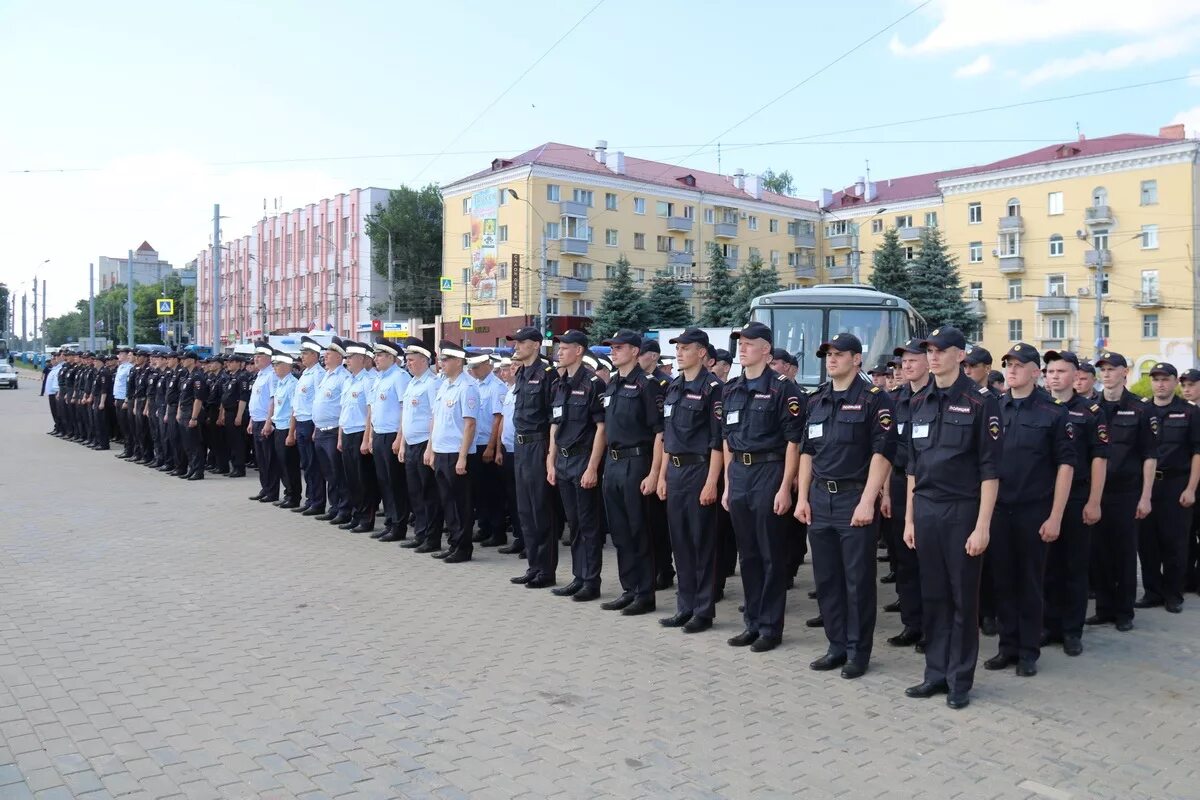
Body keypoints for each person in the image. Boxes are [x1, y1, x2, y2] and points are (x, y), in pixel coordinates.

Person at [903, 326, 1001, 710]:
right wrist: (910, 520)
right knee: (934, 596)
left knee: (962, 599)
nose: (933, 356)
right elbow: (913, 465)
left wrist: (982, 527)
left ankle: (959, 679)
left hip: (962, 511)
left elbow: (990, 470)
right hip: (926, 508)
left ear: (961, 355)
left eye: (941, 350)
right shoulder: (919, 401)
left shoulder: (981, 402)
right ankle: (935, 673)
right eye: (929, 350)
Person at [796, 333, 896, 678]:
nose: (832, 359)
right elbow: (808, 452)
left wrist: (869, 500)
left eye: (839, 354)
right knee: (827, 579)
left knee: (857, 580)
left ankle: (858, 651)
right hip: (821, 498)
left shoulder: (874, 400)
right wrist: (801, 498)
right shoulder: (817, 400)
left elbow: (881, 453)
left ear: (857, 359)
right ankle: (835, 645)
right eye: (828, 354)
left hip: (855, 497)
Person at [985, 344, 1074, 678]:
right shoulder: (994, 407)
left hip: (1033, 511)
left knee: (1030, 583)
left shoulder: (1052, 412)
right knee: (1002, 581)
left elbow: (1065, 466)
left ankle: (1027, 652)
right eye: (1008, 364)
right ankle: (1007, 647)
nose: (1011, 369)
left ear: (1036, 372)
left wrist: (1055, 516)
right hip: (999, 510)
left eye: (1019, 365)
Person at [722, 321, 805, 652]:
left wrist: (786, 486)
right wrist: (728, 485)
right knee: (749, 553)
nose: (742, 348)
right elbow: (727, 439)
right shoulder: (732, 389)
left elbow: (793, 441)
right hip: (740, 475)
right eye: (739, 343)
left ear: (766, 349)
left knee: (771, 554)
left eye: (749, 343)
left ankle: (770, 627)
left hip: (769, 471)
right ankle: (752, 622)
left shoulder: (784, 389)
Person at [655, 328, 725, 632]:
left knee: (702, 542)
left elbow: (717, 440)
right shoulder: (674, 387)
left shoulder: (713, 388)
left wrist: (712, 482)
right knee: (680, 542)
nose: (679, 353)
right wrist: (662, 475)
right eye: (678, 348)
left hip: (700, 470)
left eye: (685, 348)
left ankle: (703, 610)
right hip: (676, 471)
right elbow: (669, 437)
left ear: (702, 353)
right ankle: (685, 605)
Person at [1041, 350, 1107, 656]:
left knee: (1075, 566)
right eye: (1051, 371)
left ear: (1075, 375)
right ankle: (1048, 625)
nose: (1055, 376)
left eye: (1062, 371)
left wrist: (1094, 501)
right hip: (1042, 497)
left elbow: (1098, 458)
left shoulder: (1090, 411)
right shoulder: (1038, 406)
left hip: (1078, 496)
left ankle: (1071, 630)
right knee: (1047, 565)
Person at [598, 329, 665, 616]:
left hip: (637, 462)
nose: (613, 352)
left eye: (619, 347)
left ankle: (645, 593)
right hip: (613, 464)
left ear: (635, 351)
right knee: (620, 532)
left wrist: (654, 473)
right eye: (612, 348)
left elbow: (660, 433)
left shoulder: (647, 385)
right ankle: (629, 588)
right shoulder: (613, 383)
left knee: (640, 530)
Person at [1090, 352, 1156, 632]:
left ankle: (1124, 611)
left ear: (1124, 372)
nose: (1106, 374)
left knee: (1125, 554)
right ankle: (1104, 607)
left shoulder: (1141, 409)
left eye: (1111, 369)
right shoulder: (1091, 407)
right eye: (1102, 369)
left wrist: (1146, 496)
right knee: (1099, 552)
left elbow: (1149, 456)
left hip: (1126, 492)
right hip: (1097, 493)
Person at [547, 329, 607, 601]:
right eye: (560, 347)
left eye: (566, 347)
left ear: (579, 351)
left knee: (588, 524)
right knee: (573, 523)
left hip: (584, 459)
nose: (560, 351)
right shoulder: (560, 384)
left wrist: (593, 467)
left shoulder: (593, 383)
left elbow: (601, 428)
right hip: (564, 459)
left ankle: (591, 581)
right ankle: (578, 576)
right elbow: (556, 424)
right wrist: (551, 459)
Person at [1136, 362, 1200, 614]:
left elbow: (1197, 452)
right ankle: (1152, 592)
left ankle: (1174, 594)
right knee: (1147, 542)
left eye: (1165, 379)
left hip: (1176, 484)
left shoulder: (1190, 413)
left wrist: (1191, 488)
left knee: (1175, 543)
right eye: (1156, 379)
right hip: (1146, 486)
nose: (1160, 384)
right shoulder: (1141, 410)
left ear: (1175, 382)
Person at [507, 327, 561, 588]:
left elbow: (553, 418)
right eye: (515, 342)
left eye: (521, 342)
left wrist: (550, 454)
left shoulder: (548, 375)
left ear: (536, 345)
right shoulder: (521, 373)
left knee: (541, 510)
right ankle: (533, 565)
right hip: (521, 446)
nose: (516, 346)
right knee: (525, 510)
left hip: (538, 446)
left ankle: (546, 571)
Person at [883, 339, 928, 651]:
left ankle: (933, 629)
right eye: (902, 363)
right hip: (899, 485)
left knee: (929, 563)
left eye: (913, 360)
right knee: (903, 560)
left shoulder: (938, 398)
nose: (906, 367)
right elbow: (884, 450)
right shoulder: (894, 400)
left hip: (932, 489)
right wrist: (885, 492)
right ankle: (912, 624)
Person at [425, 340, 479, 563]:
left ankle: (464, 548)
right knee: (447, 502)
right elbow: (436, 420)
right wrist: (430, 448)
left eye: (445, 360)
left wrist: (463, 456)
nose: (441, 363)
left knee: (461, 503)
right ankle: (454, 544)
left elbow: (469, 424)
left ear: (458, 361)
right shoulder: (444, 385)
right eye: (440, 360)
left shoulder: (467, 387)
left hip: (457, 454)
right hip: (441, 451)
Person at [363, 338, 411, 541]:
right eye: (376, 355)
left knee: (395, 482)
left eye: (380, 355)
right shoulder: (379, 378)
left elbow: (404, 409)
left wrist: (400, 437)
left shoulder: (399, 377)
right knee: (384, 482)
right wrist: (372, 436)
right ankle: (390, 522)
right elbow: (374, 411)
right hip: (380, 434)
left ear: (391, 357)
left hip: (392, 435)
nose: (376, 358)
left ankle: (399, 526)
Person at [398, 337, 443, 553]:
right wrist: (403, 444)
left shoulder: (432, 383)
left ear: (425, 360)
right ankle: (420, 533)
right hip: (412, 444)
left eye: (412, 359)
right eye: (407, 360)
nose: (408, 363)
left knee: (429, 493)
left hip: (426, 443)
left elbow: (436, 416)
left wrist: (430, 448)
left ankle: (432, 538)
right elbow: (406, 417)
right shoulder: (412, 383)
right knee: (415, 492)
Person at [338, 341, 379, 533]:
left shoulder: (368, 381)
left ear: (362, 360)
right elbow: (344, 411)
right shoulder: (348, 381)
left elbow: (370, 413)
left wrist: (366, 438)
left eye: (351, 358)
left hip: (359, 434)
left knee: (364, 480)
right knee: (351, 478)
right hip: (347, 432)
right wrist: (340, 437)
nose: (347, 361)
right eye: (346, 358)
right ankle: (356, 514)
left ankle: (366, 518)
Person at [467, 351, 506, 547]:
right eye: (471, 368)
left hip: (486, 444)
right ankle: (484, 527)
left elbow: (498, 419)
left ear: (487, 365)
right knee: (479, 490)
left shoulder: (496, 387)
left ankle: (497, 531)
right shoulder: (474, 385)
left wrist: (491, 447)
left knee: (493, 490)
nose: (473, 371)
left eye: (476, 367)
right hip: (475, 444)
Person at [312, 338, 351, 525]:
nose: (325, 357)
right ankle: (334, 506)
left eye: (328, 354)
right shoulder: (326, 375)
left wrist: (340, 435)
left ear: (338, 356)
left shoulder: (343, 377)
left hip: (334, 431)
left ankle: (344, 509)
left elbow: (344, 408)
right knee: (328, 473)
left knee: (338, 473)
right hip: (320, 430)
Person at [291, 336, 326, 515]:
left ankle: (318, 502)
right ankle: (310, 498)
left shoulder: (318, 374)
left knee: (314, 465)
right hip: (301, 422)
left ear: (314, 355)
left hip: (311, 423)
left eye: (305, 354)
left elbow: (318, 403)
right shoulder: (305, 373)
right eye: (302, 354)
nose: (302, 357)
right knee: (306, 464)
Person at [496, 356, 525, 558]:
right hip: (507, 449)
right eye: (510, 365)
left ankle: (527, 540)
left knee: (524, 499)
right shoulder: (509, 390)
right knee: (512, 497)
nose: (511, 369)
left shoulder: (525, 389)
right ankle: (518, 537)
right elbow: (503, 422)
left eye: (515, 365)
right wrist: (498, 449)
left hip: (523, 450)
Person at [265, 350, 301, 507]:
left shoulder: (293, 384)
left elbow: (295, 410)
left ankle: (294, 497)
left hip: (287, 428)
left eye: (277, 365)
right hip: (278, 427)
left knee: (290, 464)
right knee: (282, 464)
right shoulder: (280, 383)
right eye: (274, 365)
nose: (274, 368)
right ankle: (288, 493)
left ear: (287, 366)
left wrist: (291, 433)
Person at [247, 343, 280, 503]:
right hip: (257, 421)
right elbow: (256, 401)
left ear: (268, 358)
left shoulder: (271, 375)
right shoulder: (259, 375)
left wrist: (269, 422)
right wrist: (251, 420)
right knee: (260, 459)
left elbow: (273, 400)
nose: (256, 359)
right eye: (255, 356)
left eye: (259, 356)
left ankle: (272, 491)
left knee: (269, 459)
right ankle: (265, 488)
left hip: (266, 422)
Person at [178, 351, 209, 480]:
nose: (182, 361)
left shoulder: (197, 377)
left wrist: (194, 417)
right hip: (185, 411)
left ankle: (198, 471)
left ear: (191, 360)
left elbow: (198, 399)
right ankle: (192, 468)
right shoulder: (187, 375)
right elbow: (182, 396)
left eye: (184, 359)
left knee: (195, 443)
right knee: (187, 444)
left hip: (192, 411)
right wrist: (180, 412)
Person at [218, 355, 249, 478]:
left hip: (236, 412)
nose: (228, 364)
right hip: (229, 412)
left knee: (238, 442)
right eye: (228, 362)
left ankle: (239, 468)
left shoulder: (242, 377)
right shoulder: (231, 377)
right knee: (231, 440)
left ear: (238, 363)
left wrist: (239, 415)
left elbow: (243, 397)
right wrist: (224, 414)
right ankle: (235, 466)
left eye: (232, 362)